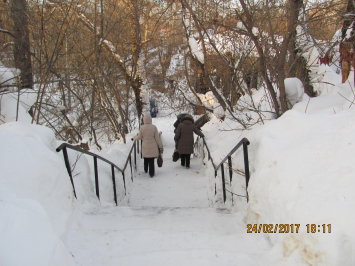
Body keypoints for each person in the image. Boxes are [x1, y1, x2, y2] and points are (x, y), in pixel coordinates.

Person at [132, 113, 163, 177]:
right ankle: (151, 174)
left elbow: (139, 137)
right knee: (151, 159)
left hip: (145, 145)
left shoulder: (142, 127)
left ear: (144, 120)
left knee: (146, 158)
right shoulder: (154, 127)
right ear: (150, 119)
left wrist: (133, 137)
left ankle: (146, 169)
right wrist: (160, 146)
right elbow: (157, 138)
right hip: (153, 145)